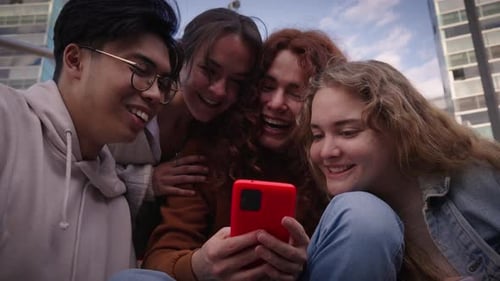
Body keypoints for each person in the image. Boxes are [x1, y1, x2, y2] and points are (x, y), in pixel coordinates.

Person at [141, 28, 346, 281]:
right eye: (267, 86)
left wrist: (309, 265)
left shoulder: (333, 166)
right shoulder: (209, 153)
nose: (276, 103)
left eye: (296, 93)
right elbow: (158, 259)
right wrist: (198, 265)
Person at [0, 0, 182, 280]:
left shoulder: (117, 207)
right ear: (75, 60)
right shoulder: (7, 124)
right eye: (139, 69)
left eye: (163, 82)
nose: (155, 94)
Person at [304, 60, 500, 280]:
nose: (326, 152)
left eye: (348, 132)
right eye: (318, 136)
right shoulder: (347, 225)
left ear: (398, 127)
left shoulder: (479, 175)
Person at [109, 7, 263, 258]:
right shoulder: (133, 102)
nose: (219, 90)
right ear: (182, 57)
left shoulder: (224, 134)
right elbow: (77, 168)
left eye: (236, 82)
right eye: (209, 71)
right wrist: (148, 181)